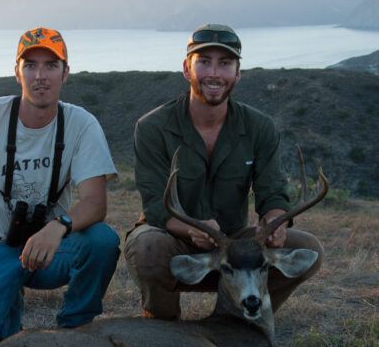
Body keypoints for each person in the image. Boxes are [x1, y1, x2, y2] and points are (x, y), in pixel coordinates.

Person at [123, 23, 323, 319]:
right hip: (175, 241)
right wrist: (192, 227)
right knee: (147, 247)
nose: (214, 74)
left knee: (308, 248)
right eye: (204, 62)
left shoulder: (259, 127)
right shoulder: (153, 127)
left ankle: (244, 321)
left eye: (225, 64)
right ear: (187, 69)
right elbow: (155, 206)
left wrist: (274, 221)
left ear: (237, 73)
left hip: (236, 245)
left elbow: (272, 192)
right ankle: (163, 328)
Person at [0, 27, 120, 347]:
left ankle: (76, 331)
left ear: (66, 73)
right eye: (30, 65)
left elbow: (95, 202)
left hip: (49, 249)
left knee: (102, 241)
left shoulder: (82, 124)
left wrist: (57, 227)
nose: (40, 76)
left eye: (51, 66)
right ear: (16, 72)